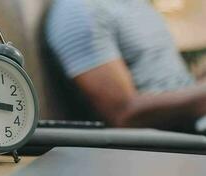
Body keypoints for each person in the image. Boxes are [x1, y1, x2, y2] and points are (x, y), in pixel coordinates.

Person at [44, 0, 206, 133]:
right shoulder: (79, 13)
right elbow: (124, 114)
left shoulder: (138, 5)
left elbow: (175, 85)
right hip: (175, 138)